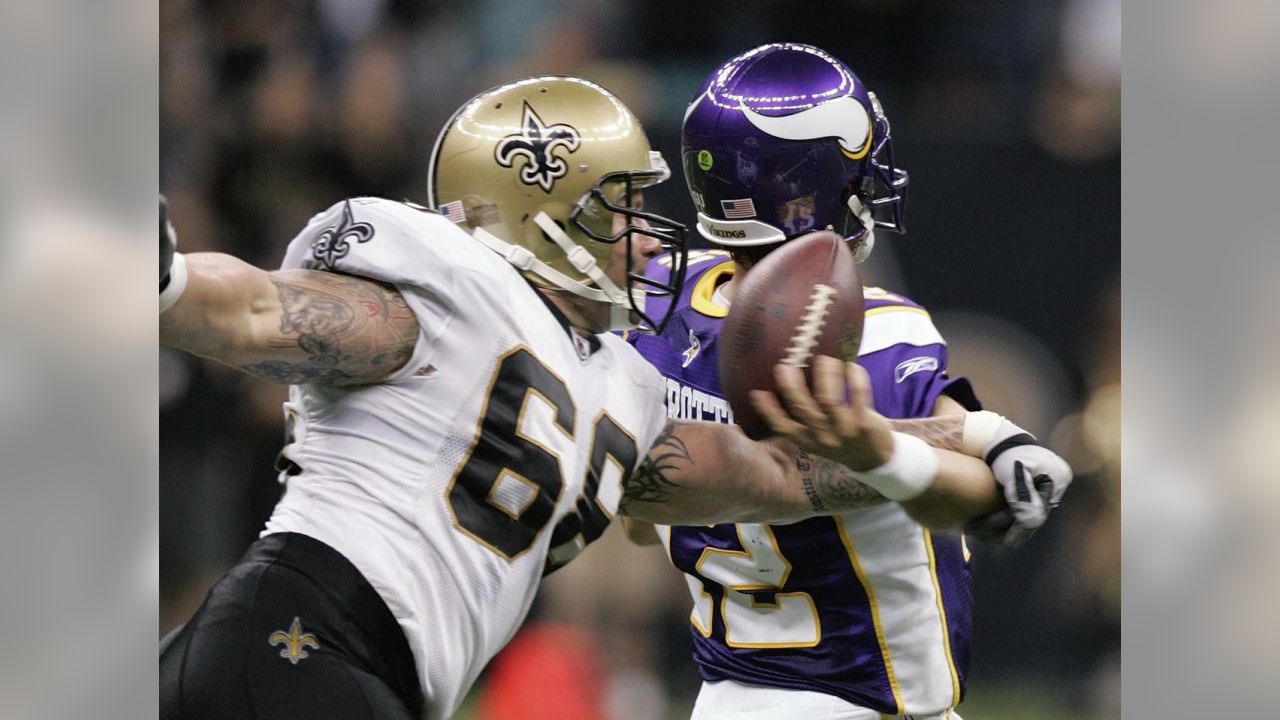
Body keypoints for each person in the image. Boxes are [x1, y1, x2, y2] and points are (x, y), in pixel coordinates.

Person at [157, 75, 1010, 720]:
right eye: (619, 207)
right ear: (537, 212)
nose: (645, 235)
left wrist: (967, 433)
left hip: (356, 668)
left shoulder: (623, 382)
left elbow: (780, 474)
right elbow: (266, 310)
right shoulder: (446, 289)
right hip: (297, 630)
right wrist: (168, 285)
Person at [623, 44, 1073, 720]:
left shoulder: (662, 306)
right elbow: (984, 503)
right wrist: (912, 452)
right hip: (863, 699)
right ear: (815, 183)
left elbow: (639, 524)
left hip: (723, 698)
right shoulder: (874, 330)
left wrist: (986, 431)